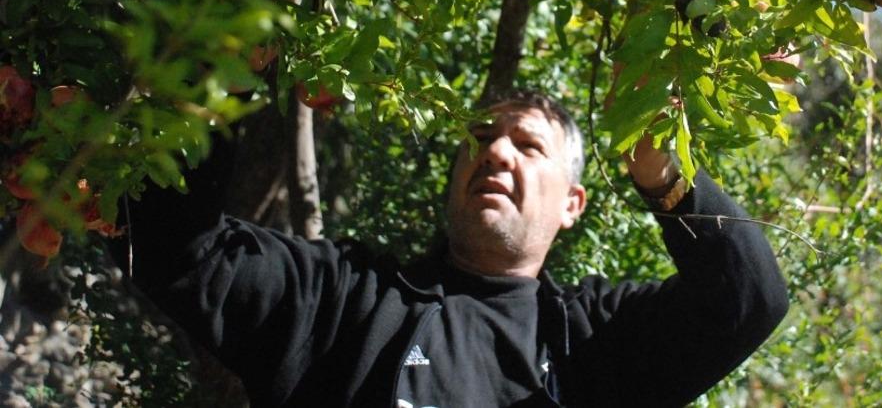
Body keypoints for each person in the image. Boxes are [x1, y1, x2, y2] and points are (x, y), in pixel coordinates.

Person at [113, 90, 788, 407]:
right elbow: (176, 247)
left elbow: (748, 299)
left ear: (572, 205)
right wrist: (224, 72)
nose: (494, 149)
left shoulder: (590, 344)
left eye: (527, 145)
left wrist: (663, 172)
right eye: (481, 136)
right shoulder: (345, 301)